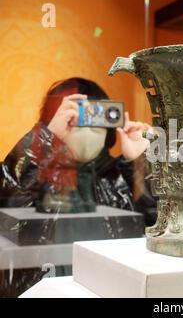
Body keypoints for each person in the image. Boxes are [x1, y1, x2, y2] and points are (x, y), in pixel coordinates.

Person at [0, 77, 157, 296]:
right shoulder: (31, 175)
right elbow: (8, 202)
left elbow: (161, 233)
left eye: (96, 115)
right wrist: (45, 140)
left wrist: (141, 164)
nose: (87, 126)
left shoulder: (122, 176)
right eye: (75, 116)